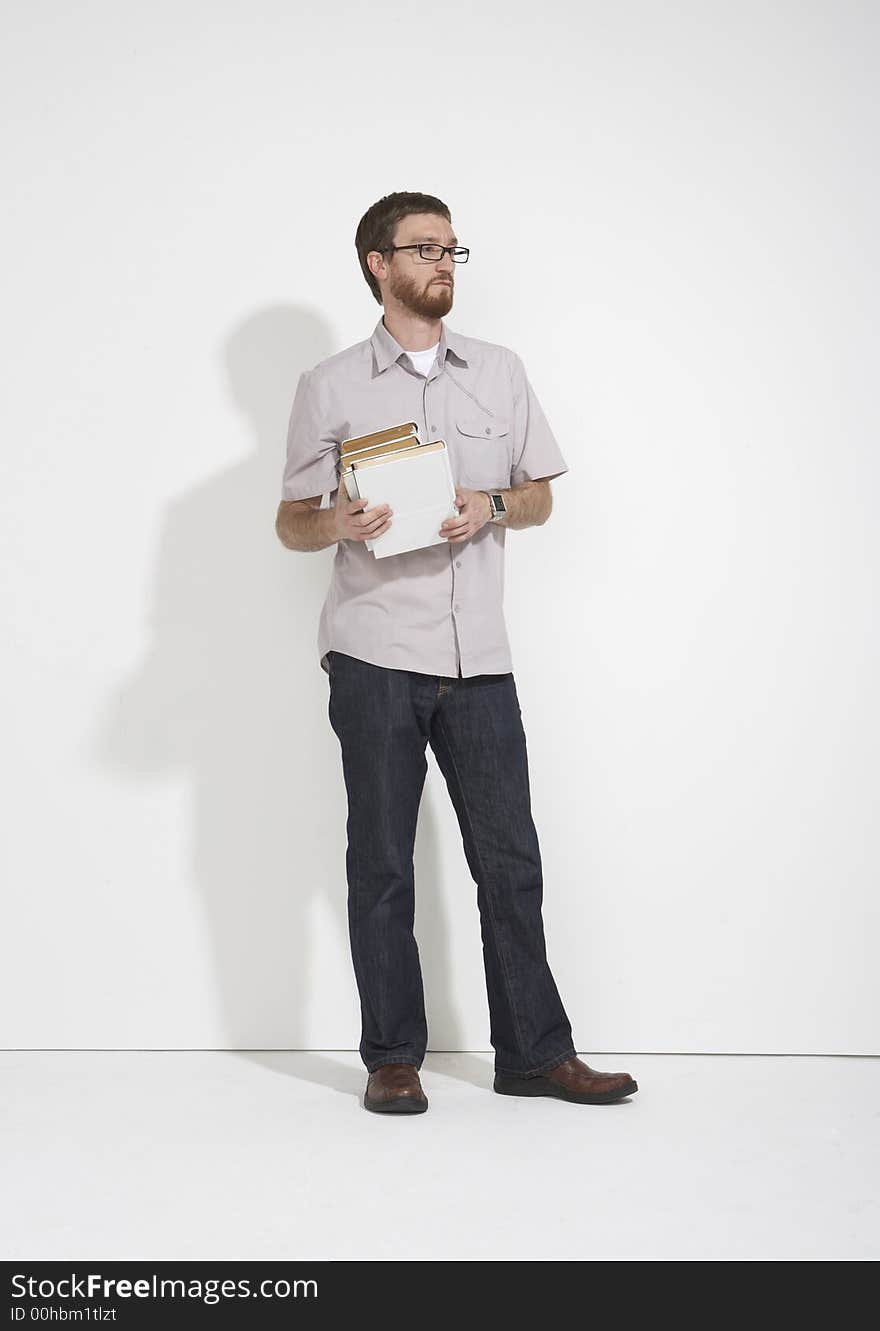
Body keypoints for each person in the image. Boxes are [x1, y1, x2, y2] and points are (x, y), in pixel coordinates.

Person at [275, 191, 638, 1115]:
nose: (444, 262)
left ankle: (534, 1054)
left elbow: (542, 497)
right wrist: (337, 519)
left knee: (510, 861)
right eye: (424, 247)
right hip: (374, 653)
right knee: (383, 863)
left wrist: (494, 506)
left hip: (480, 655)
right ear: (376, 263)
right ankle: (392, 1055)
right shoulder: (330, 385)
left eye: (451, 248)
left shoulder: (503, 374)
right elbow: (290, 524)